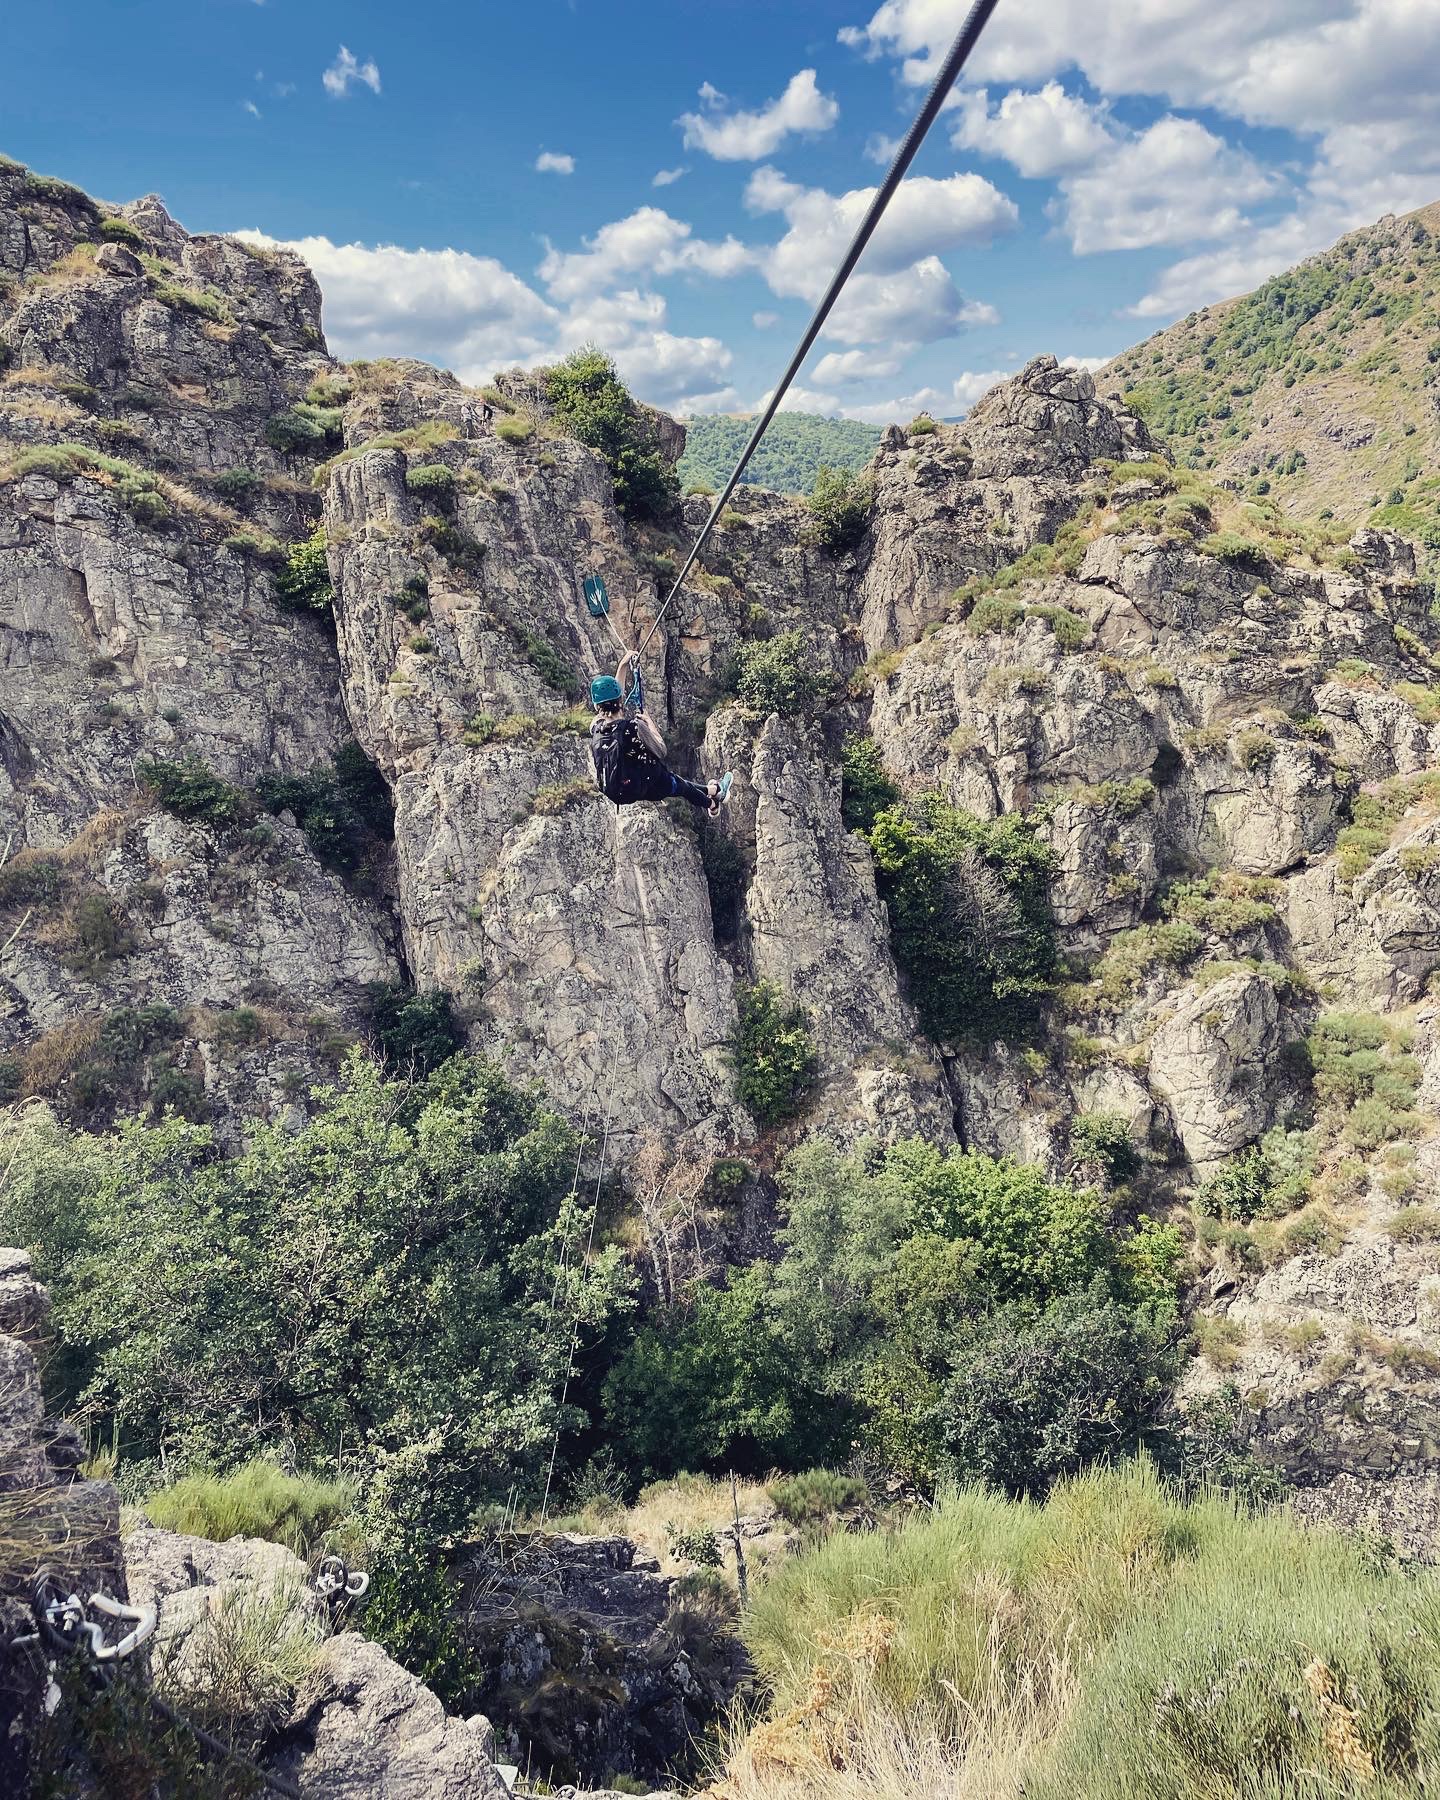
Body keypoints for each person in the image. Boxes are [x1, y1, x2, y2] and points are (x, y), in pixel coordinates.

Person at [589, 652, 730, 816]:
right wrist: (650, 724)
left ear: (596, 705)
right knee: (680, 786)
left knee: (679, 782)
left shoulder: (596, 727)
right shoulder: (635, 727)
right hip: (647, 783)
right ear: (620, 701)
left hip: (618, 790)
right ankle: (711, 804)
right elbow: (661, 750)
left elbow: (616, 696)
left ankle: (715, 789)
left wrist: (624, 665)